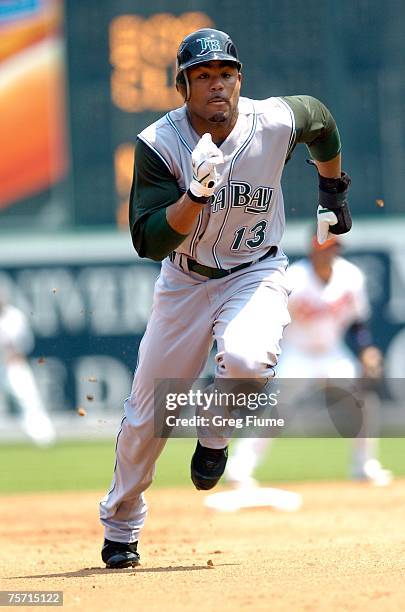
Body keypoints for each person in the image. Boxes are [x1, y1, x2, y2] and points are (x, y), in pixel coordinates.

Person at [99, 27, 353, 568]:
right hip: (184, 282)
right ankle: (121, 525)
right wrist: (195, 195)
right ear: (183, 86)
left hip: (256, 271)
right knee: (148, 417)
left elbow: (323, 122)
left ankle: (214, 436)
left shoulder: (275, 121)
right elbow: (148, 241)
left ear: (240, 80)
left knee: (246, 358)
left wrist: (333, 190)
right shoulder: (160, 144)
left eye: (226, 74)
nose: (217, 85)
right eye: (203, 76)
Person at [225, 234, 392, 488]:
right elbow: (271, 321)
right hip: (297, 352)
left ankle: (364, 466)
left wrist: (366, 349)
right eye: (324, 247)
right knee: (276, 411)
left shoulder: (350, 277)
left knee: (362, 401)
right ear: (313, 250)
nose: (329, 253)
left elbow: (358, 323)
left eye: (334, 247)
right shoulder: (294, 279)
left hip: (332, 352)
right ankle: (239, 468)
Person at [0, 285, 56, 447]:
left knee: (29, 400)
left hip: (14, 365)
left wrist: (15, 355)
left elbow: (25, 343)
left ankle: (43, 438)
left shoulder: (14, 316)